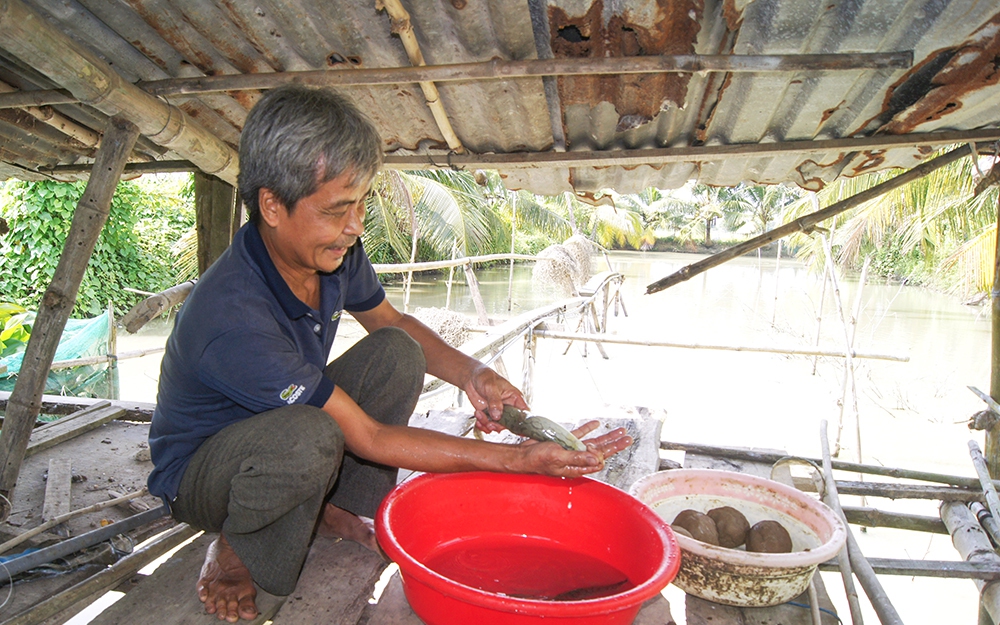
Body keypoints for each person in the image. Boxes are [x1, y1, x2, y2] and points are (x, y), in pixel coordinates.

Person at [147, 85, 632, 623]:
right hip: (206, 475)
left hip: (281, 425)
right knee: (312, 435)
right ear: (271, 205)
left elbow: (394, 322)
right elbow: (370, 437)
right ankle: (238, 544)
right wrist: (520, 461)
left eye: (360, 205)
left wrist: (473, 374)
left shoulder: (331, 251)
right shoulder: (231, 317)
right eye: (337, 210)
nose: (355, 226)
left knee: (397, 351)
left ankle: (335, 508)